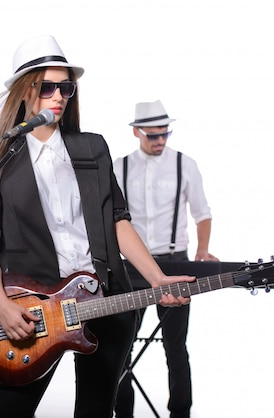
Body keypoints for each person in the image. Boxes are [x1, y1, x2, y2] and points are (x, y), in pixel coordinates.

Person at [0, 35, 193, 418]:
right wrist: (1, 305)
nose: (58, 96)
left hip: (106, 298)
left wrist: (155, 278)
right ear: (24, 91)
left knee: (96, 409)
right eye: (47, 87)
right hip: (37, 309)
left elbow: (117, 219)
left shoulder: (92, 148)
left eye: (66, 87)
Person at [113, 100, 218, 418]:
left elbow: (203, 213)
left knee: (176, 345)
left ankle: (180, 413)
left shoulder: (185, 164)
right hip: (132, 266)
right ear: (136, 132)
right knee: (122, 347)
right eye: (152, 135)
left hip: (175, 261)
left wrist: (202, 249)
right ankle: (123, 411)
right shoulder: (119, 167)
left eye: (165, 134)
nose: (160, 141)